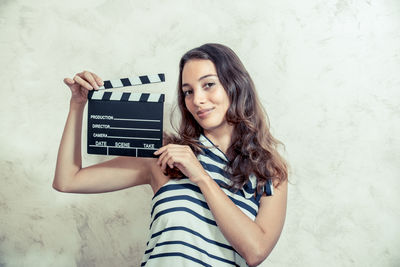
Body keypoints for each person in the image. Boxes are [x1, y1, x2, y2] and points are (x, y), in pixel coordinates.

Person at [53, 43, 288, 267]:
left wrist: (201, 176)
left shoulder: (270, 173)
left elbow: (255, 252)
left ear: (235, 84)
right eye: (188, 92)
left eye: (208, 85)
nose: (197, 100)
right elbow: (68, 180)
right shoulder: (164, 154)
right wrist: (77, 104)